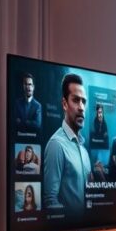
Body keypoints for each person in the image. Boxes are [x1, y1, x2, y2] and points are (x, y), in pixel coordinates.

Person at [43, 74, 101, 211]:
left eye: (84, 102)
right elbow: (50, 201)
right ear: (64, 104)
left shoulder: (84, 151)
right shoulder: (56, 145)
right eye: (76, 100)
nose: (81, 107)